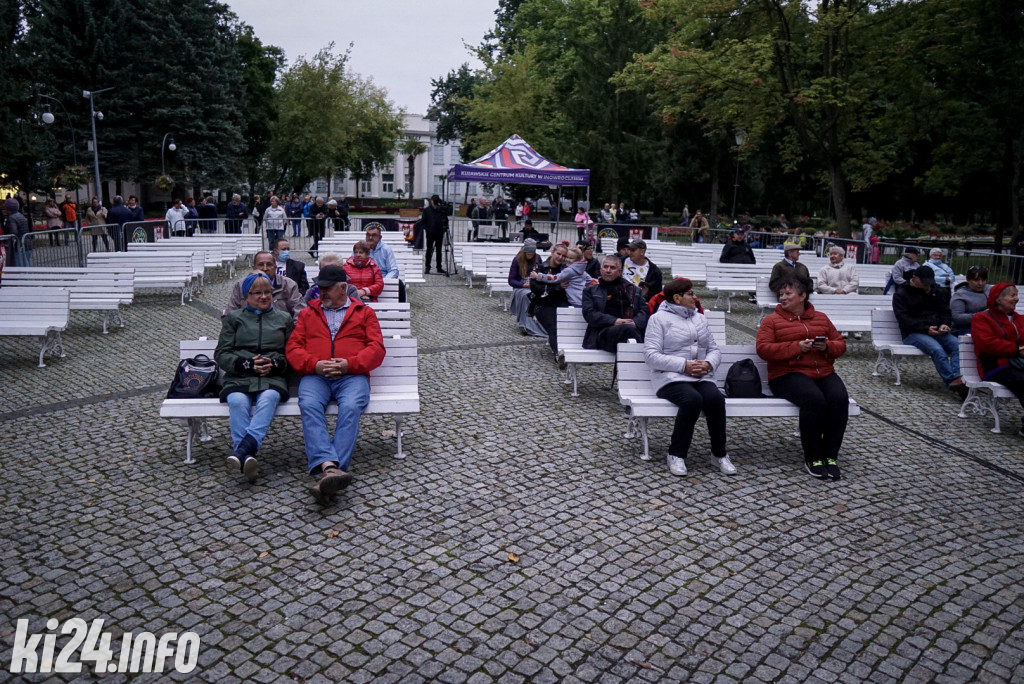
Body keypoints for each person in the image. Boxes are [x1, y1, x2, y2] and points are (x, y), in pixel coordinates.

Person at [285, 265, 386, 504]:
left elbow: (377, 349)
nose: (322, 292)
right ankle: (333, 469)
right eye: (319, 288)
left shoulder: (364, 313)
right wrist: (315, 365)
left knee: (351, 406)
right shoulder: (309, 314)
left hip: (352, 375)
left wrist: (349, 365)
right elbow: (293, 348)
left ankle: (328, 471)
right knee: (308, 404)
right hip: (316, 375)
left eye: (327, 288)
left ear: (343, 288)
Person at [756, 274, 849, 480]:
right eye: (781, 294)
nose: (783, 297)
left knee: (839, 398)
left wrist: (827, 347)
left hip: (823, 371)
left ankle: (830, 456)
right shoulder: (771, 321)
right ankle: (813, 457)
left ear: (803, 296)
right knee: (813, 399)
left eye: (788, 293)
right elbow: (763, 349)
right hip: (786, 374)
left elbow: (841, 344)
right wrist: (796, 347)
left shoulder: (821, 318)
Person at [644, 278, 735, 477]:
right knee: (692, 400)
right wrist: (684, 366)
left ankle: (719, 453)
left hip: (701, 376)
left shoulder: (699, 318)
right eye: (691, 294)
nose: (695, 297)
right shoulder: (658, 319)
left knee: (716, 399)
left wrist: (708, 363)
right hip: (669, 377)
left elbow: (713, 349)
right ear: (677, 298)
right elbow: (651, 356)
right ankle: (676, 453)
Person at [214, 272, 294, 483]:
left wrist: (275, 363)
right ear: (246, 296)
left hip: (272, 378)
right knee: (238, 401)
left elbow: (292, 353)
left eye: (267, 292)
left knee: (269, 398)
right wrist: (246, 364)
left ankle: (242, 451)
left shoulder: (284, 319)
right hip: (239, 377)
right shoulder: (234, 319)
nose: (263, 296)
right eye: (257, 293)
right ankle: (247, 456)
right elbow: (221, 354)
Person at [892, 267, 968, 398]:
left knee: (957, 345)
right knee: (937, 350)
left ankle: (958, 377)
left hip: (938, 330)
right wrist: (925, 328)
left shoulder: (936, 291)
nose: (927, 286)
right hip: (913, 333)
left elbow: (945, 311)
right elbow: (904, 320)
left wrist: (945, 324)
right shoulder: (901, 294)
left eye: (929, 283)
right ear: (915, 279)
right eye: (924, 283)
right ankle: (952, 382)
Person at [970, 283, 1024, 435]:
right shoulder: (982, 318)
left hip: (1018, 364)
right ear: (998, 299)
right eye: (1012, 295)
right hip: (995, 366)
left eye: (1016, 294)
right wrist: (1016, 349)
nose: (1016, 299)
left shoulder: (1019, 319)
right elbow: (987, 343)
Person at [582, 255, 648, 353]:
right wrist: (614, 321)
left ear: (620, 272)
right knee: (628, 331)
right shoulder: (590, 291)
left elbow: (645, 311)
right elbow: (589, 313)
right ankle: (641, 362)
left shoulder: (633, 290)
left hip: (630, 330)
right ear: (600, 270)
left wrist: (635, 322)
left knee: (629, 333)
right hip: (601, 334)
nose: (608, 270)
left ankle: (626, 367)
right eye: (605, 267)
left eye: (612, 268)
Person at [226, 251, 306, 321]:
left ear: (275, 267)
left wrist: (293, 334)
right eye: (261, 265)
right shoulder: (240, 285)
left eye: (269, 265)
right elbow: (229, 313)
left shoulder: (289, 285)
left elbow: (300, 312)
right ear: (254, 267)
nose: (265, 268)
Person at [531, 243, 570, 355]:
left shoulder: (565, 269)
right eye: (558, 254)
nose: (560, 257)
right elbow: (536, 288)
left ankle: (567, 349)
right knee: (554, 326)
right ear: (552, 252)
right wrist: (557, 287)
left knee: (567, 325)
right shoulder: (540, 267)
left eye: (563, 256)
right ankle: (559, 354)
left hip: (561, 302)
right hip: (543, 304)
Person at [817, 245, 862, 338]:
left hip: (848, 293)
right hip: (832, 294)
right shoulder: (824, 269)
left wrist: (845, 290)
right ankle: (842, 329)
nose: (832, 256)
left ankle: (855, 328)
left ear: (842, 256)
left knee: (853, 298)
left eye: (835, 254)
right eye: (831, 254)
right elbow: (821, 285)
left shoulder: (850, 267)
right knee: (839, 301)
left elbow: (855, 282)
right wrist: (834, 291)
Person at [508, 239, 546, 337]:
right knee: (526, 296)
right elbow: (511, 280)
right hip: (521, 287)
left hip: (534, 285)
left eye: (532, 253)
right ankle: (525, 323)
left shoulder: (538, 258)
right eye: (528, 253)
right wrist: (523, 285)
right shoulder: (517, 260)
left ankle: (539, 322)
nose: (530, 255)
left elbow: (541, 273)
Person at [950, 265, 990, 336]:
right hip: (963, 329)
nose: (980, 283)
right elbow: (956, 317)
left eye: (983, 280)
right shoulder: (960, 295)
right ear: (968, 280)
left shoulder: (989, 290)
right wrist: (981, 315)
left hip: (986, 326)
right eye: (976, 280)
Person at [421, 194, 448, 275]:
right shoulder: (426, 210)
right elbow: (423, 221)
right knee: (429, 250)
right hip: (430, 233)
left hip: (439, 232)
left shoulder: (441, 209)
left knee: (439, 250)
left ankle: (439, 267)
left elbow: (446, 217)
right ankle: (427, 267)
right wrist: (427, 229)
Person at [4, 197, 30, 266]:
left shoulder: (11, 218)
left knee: (19, 266)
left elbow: (13, 232)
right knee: (25, 265)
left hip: (19, 245)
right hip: (26, 243)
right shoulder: (21, 216)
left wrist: (7, 242)